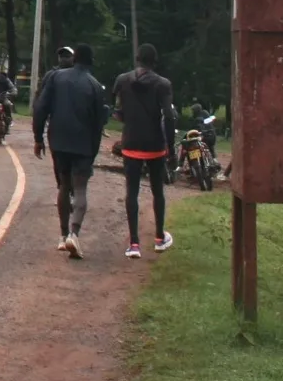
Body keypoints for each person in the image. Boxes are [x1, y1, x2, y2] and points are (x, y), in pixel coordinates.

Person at [32, 42, 109, 258]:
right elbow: (98, 124)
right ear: (91, 62)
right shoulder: (95, 86)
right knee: (81, 188)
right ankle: (74, 234)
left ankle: (62, 235)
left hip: (59, 140)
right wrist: (92, 152)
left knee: (64, 185)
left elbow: (40, 108)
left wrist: (38, 138)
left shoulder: (56, 78)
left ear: (74, 59)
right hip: (83, 143)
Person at [113, 43, 179, 258]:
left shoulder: (122, 80)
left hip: (131, 143)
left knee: (131, 192)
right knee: (157, 190)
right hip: (155, 146)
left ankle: (134, 245)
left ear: (137, 59)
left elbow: (117, 111)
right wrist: (170, 147)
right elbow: (169, 116)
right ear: (155, 61)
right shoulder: (163, 84)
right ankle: (160, 238)